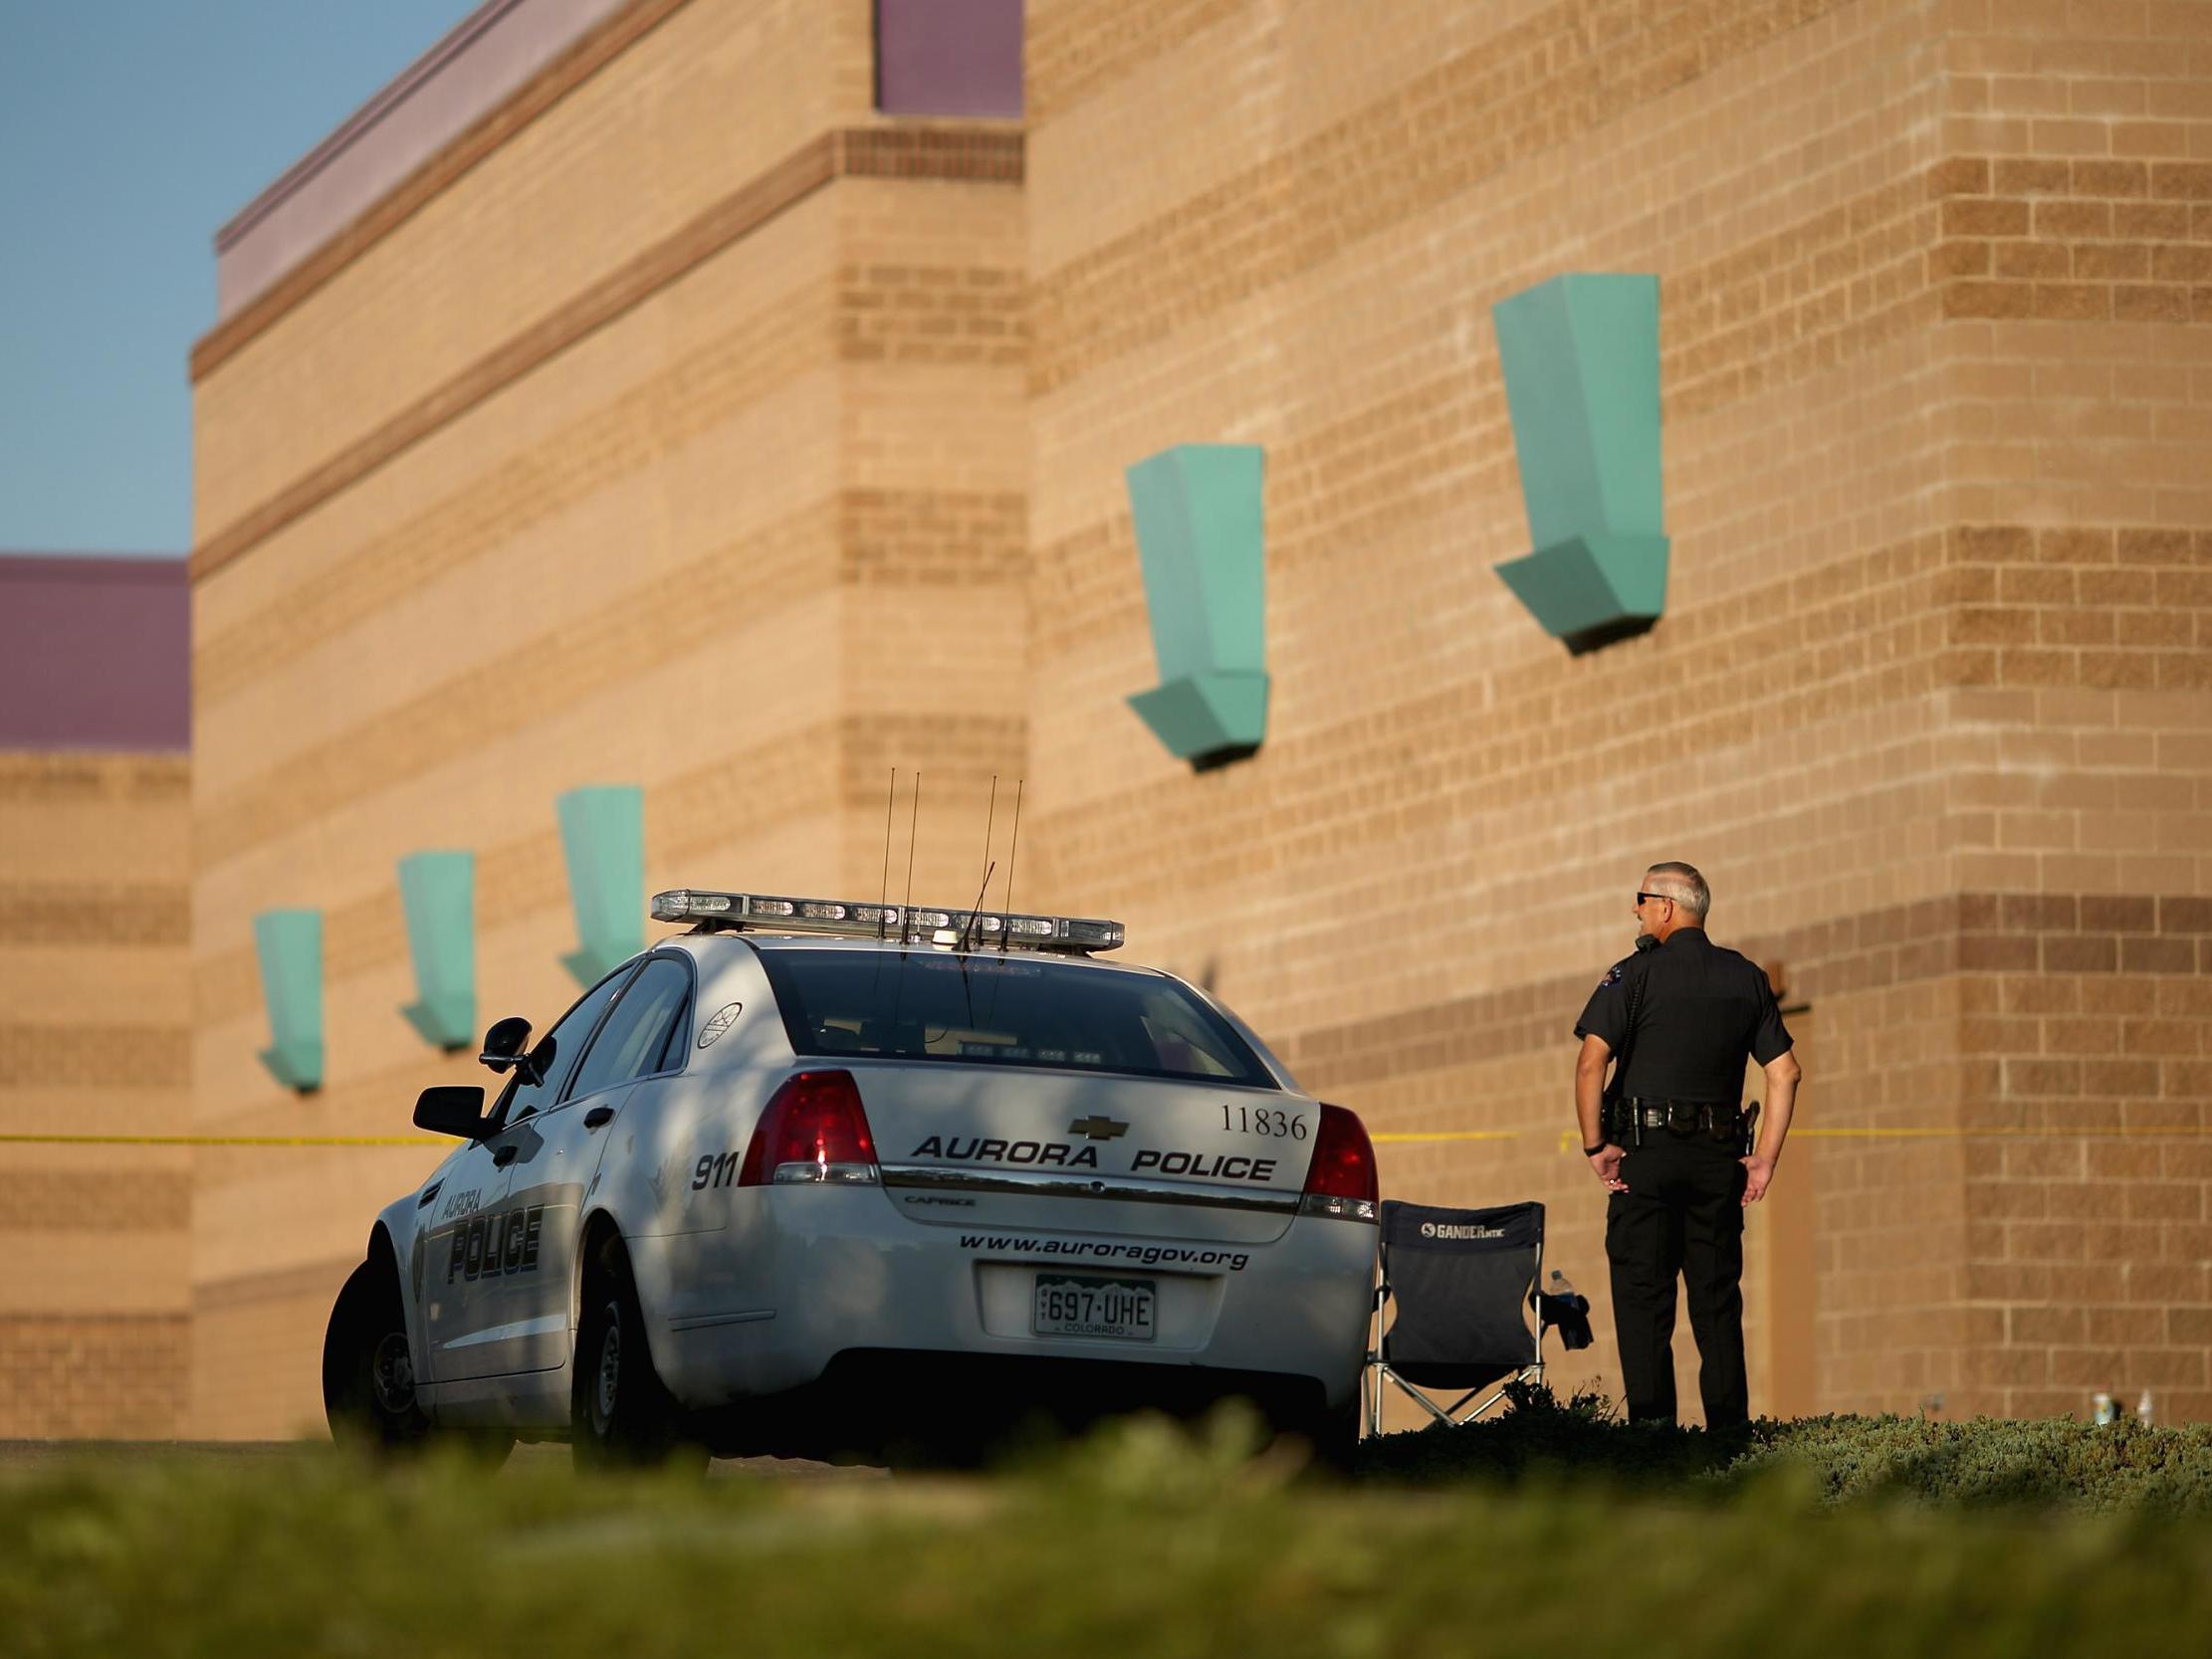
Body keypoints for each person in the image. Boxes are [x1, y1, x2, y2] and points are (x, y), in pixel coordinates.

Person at [1571, 862, 1801, 1429]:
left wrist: (1596, 1145)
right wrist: (1764, 1160)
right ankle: (1729, 1438)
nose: (1637, 910)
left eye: (1642, 900)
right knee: (1717, 1305)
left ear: (1668, 907)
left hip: (1643, 1162)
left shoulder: (1633, 975)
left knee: (1645, 1303)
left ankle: (1654, 1440)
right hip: (1718, 1163)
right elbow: (1786, 1072)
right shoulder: (1746, 977)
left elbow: (1590, 1064)